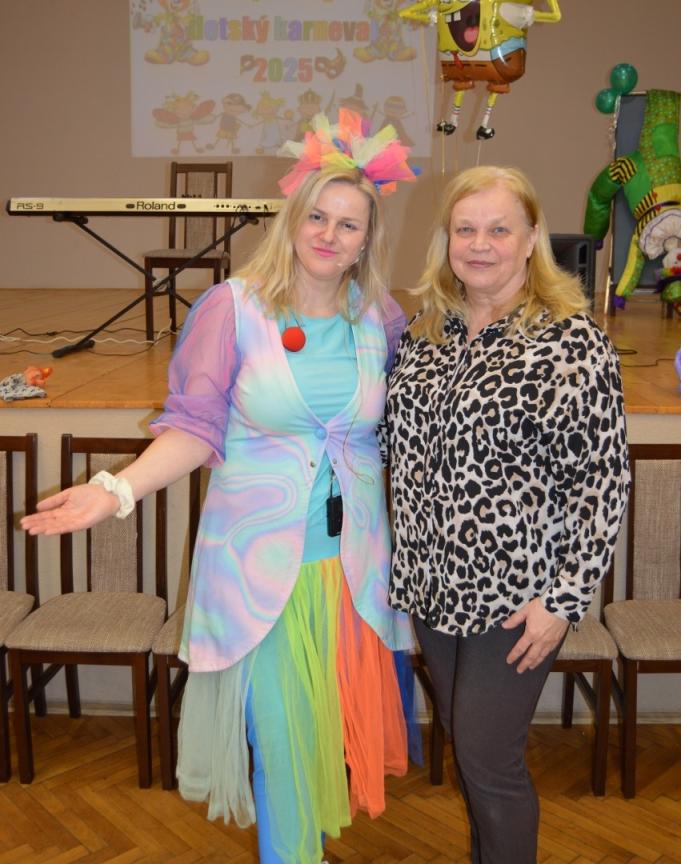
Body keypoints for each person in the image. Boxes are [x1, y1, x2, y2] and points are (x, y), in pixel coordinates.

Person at [21, 110, 420, 864]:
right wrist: (114, 491)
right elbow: (194, 428)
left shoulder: (379, 317)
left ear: (368, 239)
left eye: (349, 224)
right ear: (292, 219)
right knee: (281, 748)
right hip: (259, 575)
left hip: (352, 575)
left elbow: (410, 426)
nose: (329, 234)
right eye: (318, 216)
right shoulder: (232, 309)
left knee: (320, 747)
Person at [385, 165, 630, 864]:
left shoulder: (570, 341)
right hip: (433, 587)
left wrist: (563, 601)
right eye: (465, 229)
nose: (480, 244)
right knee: (472, 754)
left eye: (499, 229)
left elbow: (604, 483)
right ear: (446, 239)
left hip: (517, 597)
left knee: (489, 761)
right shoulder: (426, 332)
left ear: (530, 239)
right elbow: (392, 444)